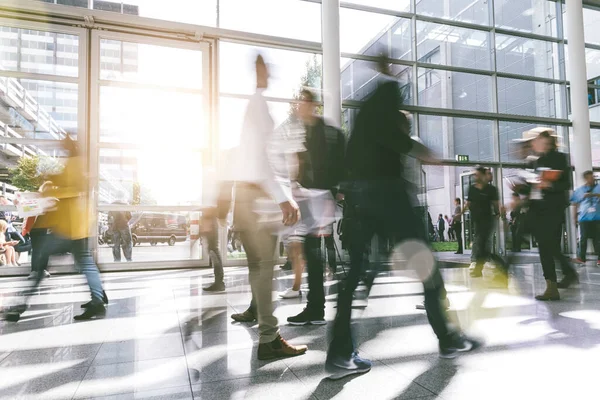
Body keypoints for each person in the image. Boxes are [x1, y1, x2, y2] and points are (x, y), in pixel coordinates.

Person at [327, 54, 480, 380]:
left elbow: (355, 153)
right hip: (387, 195)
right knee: (425, 263)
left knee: (354, 272)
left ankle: (339, 353)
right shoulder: (386, 97)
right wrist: (426, 153)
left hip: (363, 196)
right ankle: (448, 337)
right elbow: (397, 138)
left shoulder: (363, 113)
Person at [217, 54, 307, 360]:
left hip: (246, 198)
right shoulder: (258, 107)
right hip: (256, 200)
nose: (268, 72)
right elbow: (261, 160)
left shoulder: (252, 107)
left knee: (258, 269)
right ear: (257, 71)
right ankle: (269, 338)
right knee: (266, 270)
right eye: (263, 67)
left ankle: (265, 327)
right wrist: (284, 197)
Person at [5, 136, 108, 322]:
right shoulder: (75, 163)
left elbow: (74, 189)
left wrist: (52, 190)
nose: (62, 146)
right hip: (76, 226)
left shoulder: (77, 163)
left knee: (42, 261)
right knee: (84, 263)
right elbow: (66, 183)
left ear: (71, 145)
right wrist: (50, 181)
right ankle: (98, 299)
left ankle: (19, 306)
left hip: (70, 227)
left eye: (64, 143)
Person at [286, 88, 345, 326]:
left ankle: (316, 308)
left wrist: (337, 192)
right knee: (313, 252)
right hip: (310, 197)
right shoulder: (306, 132)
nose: (299, 108)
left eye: (301, 104)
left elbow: (341, 161)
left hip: (321, 197)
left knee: (314, 251)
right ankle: (316, 307)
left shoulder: (327, 132)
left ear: (311, 105)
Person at [526, 129, 578, 300]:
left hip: (554, 209)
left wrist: (549, 185)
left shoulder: (560, 158)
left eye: (543, 142)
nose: (540, 145)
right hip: (539, 208)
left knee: (548, 246)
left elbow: (566, 184)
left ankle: (553, 285)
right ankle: (560, 279)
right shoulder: (537, 161)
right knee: (548, 246)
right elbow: (534, 184)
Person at [464, 166, 507, 279]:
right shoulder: (472, 189)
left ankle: (482, 266)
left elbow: (495, 203)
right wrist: (460, 214)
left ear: (483, 175)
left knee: (482, 243)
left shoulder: (491, 189)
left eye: (477, 174)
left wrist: (499, 214)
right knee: (482, 245)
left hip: (488, 220)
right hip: (477, 221)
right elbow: (468, 203)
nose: (475, 176)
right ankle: (497, 265)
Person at [571, 171, 600, 266]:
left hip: (597, 217)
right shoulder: (580, 190)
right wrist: (574, 217)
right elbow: (575, 204)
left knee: (598, 239)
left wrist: (593, 195)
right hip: (584, 218)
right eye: (589, 177)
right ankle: (581, 258)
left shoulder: (598, 187)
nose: (592, 179)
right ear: (585, 178)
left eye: (592, 177)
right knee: (583, 239)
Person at [201, 215, 225, 292]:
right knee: (213, 250)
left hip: (210, 220)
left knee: (213, 250)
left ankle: (219, 283)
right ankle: (219, 282)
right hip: (210, 220)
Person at [109, 198, 133, 262]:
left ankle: (117, 260)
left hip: (115, 226)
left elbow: (109, 217)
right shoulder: (125, 204)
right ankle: (128, 259)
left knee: (115, 244)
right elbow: (130, 216)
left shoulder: (111, 205)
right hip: (124, 225)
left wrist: (111, 225)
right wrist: (125, 220)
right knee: (127, 243)